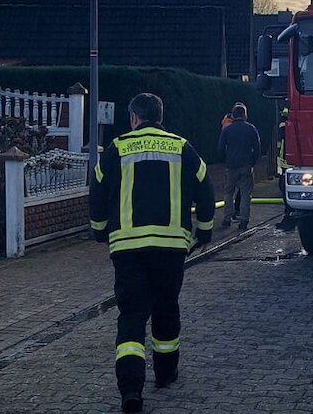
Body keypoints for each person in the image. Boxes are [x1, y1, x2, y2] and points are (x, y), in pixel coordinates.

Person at [89, 93, 216, 413]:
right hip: (171, 248)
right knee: (166, 308)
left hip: (127, 249)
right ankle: (165, 373)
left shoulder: (116, 148)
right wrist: (204, 230)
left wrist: (99, 229)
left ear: (133, 117)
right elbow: (206, 187)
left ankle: (131, 390)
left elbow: (98, 189)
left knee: (131, 316)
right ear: (160, 116)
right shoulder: (182, 146)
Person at [218, 102, 260, 230]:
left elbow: (220, 148)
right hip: (246, 165)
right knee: (246, 193)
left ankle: (226, 219)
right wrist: (252, 162)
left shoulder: (227, 130)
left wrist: (226, 160)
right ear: (244, 114)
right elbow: (257, 148)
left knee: (228, 192)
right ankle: (244, 220)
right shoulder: (251, 128)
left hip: (231, 166)